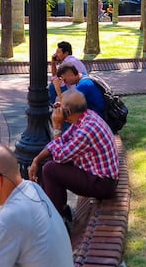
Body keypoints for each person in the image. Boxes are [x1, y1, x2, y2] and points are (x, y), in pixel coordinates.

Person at [29, 89, 120, 224]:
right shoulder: (86, 117)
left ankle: (56, 220)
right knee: (48, 162)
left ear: (68, 112)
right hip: (97, 175)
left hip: (103, 184)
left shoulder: (86, 130)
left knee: (50, 169)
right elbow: (62, 142)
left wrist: (57, 126)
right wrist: (36, 160)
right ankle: (59, 210)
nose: (57, 109)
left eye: (60, 106)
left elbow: (59, 156)